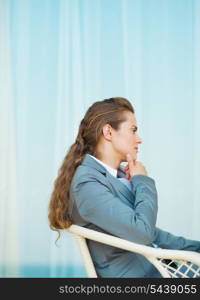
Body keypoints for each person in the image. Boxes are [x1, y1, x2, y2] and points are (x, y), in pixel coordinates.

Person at [48, 97, 200, 277]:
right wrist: (142, 181)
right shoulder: (86, 184)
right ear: (109, 132)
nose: (139, 139)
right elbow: (143, 232)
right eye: (133, 130)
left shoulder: (116, 176)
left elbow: (154, 235)